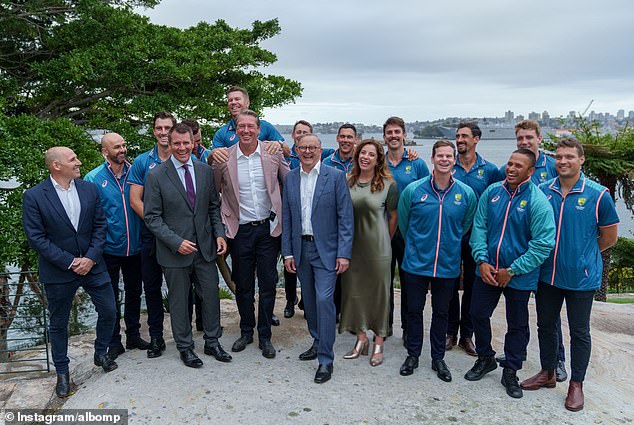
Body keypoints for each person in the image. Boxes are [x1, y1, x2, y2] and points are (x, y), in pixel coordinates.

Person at [520, 138, 619, 411]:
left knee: (579, 331)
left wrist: (584, 254)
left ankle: (576, 384)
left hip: (581, 278)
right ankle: (548, 372)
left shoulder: (598, 194)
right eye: (559, 157)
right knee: (545, 325)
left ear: (581, 160)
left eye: (569, 157)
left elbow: (609, 236)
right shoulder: (542, 190)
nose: (563, 161)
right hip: (547, 274)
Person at [22, 147, 118, 398]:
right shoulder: (34, 196)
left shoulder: (89, 189)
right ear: (56, 166)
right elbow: (36, 238)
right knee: (58, 323)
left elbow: (100, 226)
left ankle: (100, 353)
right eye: (73, 159)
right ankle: (62, 373)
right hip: (59, 271)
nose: (79, 162)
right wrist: (70, 262)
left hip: (93, 265)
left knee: (109, 310)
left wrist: (89, 258)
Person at [465, 148, 555, 399]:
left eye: (518, 166)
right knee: (477, 314)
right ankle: (486, 358)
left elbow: (542, 244)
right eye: (509, 163)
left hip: (519, 276)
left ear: (531, 171)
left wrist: (513, 270)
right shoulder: (492, 193)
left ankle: (511, 370)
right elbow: (479, 227)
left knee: (517, 324)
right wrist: (481, 261)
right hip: (488, 271)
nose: (511, 169)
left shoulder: (537, 201)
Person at [143, 123, 230, 368]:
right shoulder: (156, 175)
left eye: (186, 143)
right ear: (169, 145)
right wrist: (176, 242)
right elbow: (152, 217)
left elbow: (213, 206)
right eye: (177, 143)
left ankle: (212, 342)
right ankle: (185, 347)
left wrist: (219, 234)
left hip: (205, 249)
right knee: (180, 302)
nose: (182, 148)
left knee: (211, 296)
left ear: (194, 143)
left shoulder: (204, 171)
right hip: (174, 252)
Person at [212, 110, 289, 359]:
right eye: (241, 127)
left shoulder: (271, 152)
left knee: (268, 284)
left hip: (268, 229)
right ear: (235, 130)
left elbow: (290, 181)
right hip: (240, 231)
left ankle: (265, 335)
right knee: (243, 285)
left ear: (258, 129)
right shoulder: (224, 158)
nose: (246, 131)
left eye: (250, 127)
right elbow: (214, 194)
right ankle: (247, 331)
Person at [397, 140, 476, 381]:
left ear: (454, 160)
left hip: (447, 264)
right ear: (431, 158)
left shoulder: (466, 193)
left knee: (442, 313)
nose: (444, 159)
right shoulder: (414, 190)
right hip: (415, 264)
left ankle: (438, 358)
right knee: (414, 311)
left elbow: (464, 226)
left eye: (448, 156)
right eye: (439, 155)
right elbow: (404, 223)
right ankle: (413, 355)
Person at [282, 134, 354, 383]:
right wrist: (288, 252)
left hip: (327, 250)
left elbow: (346, 218)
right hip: (301, 250)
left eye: (313, 147)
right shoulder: (291, 177)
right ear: (297, 150)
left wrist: (344, 253)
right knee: (310, 302)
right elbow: (287, 217)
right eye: (303, 148)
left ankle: (326, 359)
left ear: (321, 150)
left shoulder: (334, 177)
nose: (308, 152)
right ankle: (317, 339)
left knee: (324, 300)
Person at [500, 119, 567, 380]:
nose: (525, 142)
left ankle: (556, 360)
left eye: (529, 137)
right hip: (521, 252)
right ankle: (519, 353)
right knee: (517, 311)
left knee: (548, 314)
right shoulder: (511, 168)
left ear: (539, 138)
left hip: (547, 251)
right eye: (520, 138)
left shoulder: (554, 166)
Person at [85, 133, 150, 361]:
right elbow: (89, 217)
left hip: (136, 247)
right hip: (108, 249)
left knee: (134, 293)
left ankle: (133, 335)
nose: (122, 150)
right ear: (105, 152)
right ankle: (113, 342)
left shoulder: (137, 172)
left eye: (123, 145)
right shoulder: (93, 178)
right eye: (116, 147)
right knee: (109, 298)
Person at [339, 139, 399, 367]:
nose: (365, 157)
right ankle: (361, 338)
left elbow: (393, 217)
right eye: (362, 153)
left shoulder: (388, 184)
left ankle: (379, 342)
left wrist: (385, 238)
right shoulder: (347, 181)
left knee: (379, 294)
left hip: (378, 248)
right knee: (354, 293)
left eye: (371, 154)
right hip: (352, 247)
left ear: (378, 159)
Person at [446, 122, 503, 356]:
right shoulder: (449, 166)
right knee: (448, 283)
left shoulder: (490, 171)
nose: (459, 140)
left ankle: (467, 334)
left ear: (476, 139)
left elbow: (496, 205)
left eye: (464, 136)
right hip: (450, 235)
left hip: (477, 238)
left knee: (472, 286)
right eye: (457, 136)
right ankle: (450, 331)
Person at [128, 111, 175, 358]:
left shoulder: (183, 157)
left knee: (181, 287)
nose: (164, 132)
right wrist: (158, 225)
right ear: (154, 131)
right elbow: (135, 200)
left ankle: (183, 334)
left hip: (179, 236)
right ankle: (157, 337)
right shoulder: (142, 162)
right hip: (151, 236)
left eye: (168, 127)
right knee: (152, 287)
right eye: (159, 128)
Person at [383, 116, 429, 343]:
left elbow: (428, 195)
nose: (393, 136)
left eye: (397, 132)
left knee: (410, 282)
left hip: (410, 232)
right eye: (389, 132)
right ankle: (385, 324)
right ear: (384, 137)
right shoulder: (378, 162)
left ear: (404, 135)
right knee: (384, 281)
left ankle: (409, 329)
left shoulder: (417, 164)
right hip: (382, 230)